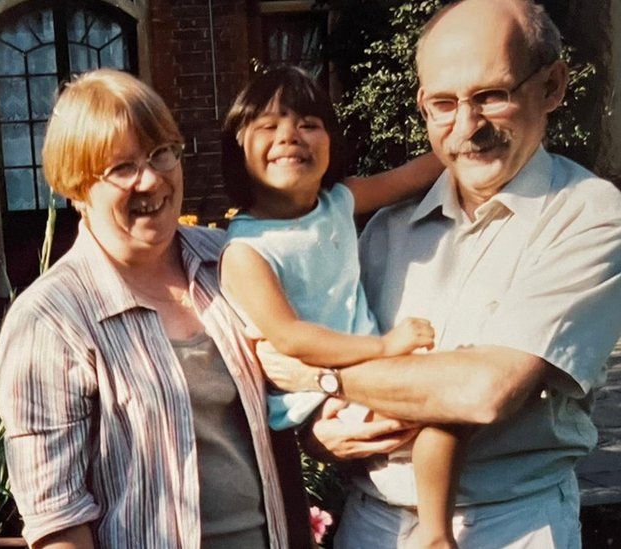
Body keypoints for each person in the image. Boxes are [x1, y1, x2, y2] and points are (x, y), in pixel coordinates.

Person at [258, 0, 621, 547]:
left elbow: (483, 391)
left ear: (552, 87)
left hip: (510, 524)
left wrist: (315, 376)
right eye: (444, 104)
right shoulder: (386, 230)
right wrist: (318, 430)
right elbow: (322, 374)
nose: (468, 126)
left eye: (491, 96)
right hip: (369, 520)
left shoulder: (588, 213)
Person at [0, 68, 313, 548]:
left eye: (162, 153)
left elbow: (301, 394)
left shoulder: (228, 263)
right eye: (122, 168)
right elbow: (58, 524)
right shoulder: (51, 321)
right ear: (77, 188)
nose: (151, 180)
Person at [219, 64, 460, 549]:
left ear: (331, 142)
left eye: (308, 123)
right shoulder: (246, 250)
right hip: (316, 398)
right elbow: (290, 337)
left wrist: (456, 133)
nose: (290, 135)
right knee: (439, 408)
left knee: (443, 408)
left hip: (367, 373)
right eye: (268, 126)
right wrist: (385, 345)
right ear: (238, 149)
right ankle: (435, 533)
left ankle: (433, 528)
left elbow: (409, 176)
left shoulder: (337, 202)